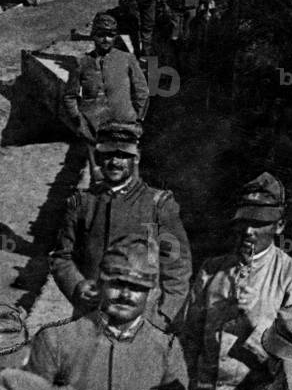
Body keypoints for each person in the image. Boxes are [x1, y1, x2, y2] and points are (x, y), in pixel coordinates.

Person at [30, 237, 191, 390]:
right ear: (98, 284)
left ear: (151, 292)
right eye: (117, 283)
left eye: (137, 288)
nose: (126, 294)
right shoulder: (55, 339)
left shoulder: (165, 348)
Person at [182, 173, 292, 390]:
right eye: (243, 221)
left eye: (258, 223)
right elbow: (188, 339)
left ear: (279, 226)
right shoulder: (212, 270)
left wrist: (252, 323)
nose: (248, 231)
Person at [49, 121, 192, 327]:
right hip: (91, 316)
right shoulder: (83, 202)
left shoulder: (157, 205)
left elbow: (177, 266)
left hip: (143, 320)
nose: (115, 162)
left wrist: (165, 315)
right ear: (98, 157)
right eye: (108, 155)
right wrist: (78, 285)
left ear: (136, 158)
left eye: (123, 156)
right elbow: (62, 257)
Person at [64, 12, 149, 185]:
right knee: (99, 179)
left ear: (115, 36)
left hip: (124, 127)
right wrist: (79, 121)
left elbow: (142, 92)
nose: (105, 39)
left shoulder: (127, 59)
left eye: (110, 35)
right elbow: (70, 96)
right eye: (100, 35)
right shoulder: (82, 63)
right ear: (93, 36)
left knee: (129, 178)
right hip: (94, 131)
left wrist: (137, 119)